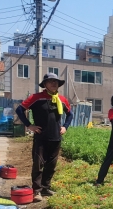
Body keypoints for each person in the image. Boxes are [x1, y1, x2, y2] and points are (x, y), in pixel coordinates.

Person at [15, 73, 73, 202]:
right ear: (45, 84)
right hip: (41, 137)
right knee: (38, 164)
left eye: (56, 81)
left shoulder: (62, 99)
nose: (54, 83)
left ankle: (46, 188)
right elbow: (20, 110)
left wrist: (65, 127)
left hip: (56, 137)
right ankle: (37, 191)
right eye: (51, 81)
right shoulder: (37, 98)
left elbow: (70, 115)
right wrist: (29, 125)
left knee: (51, 165)